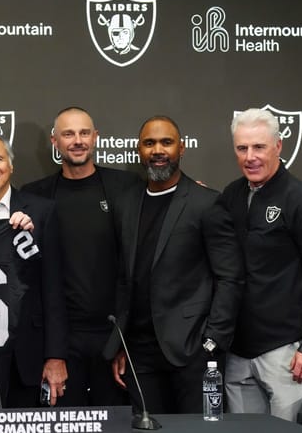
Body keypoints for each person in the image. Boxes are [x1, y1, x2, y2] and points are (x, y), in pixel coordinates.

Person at [107, 116, 244, 414]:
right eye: (149, 143)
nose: (158, 150)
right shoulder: (126, 203)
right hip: (140, 353)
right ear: (138, 150)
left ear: (181, 149)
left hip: (193, 351)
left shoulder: (206, 203)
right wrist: (121, 343)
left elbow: (230, 278)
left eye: (166, 142)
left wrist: (212, 342)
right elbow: (124, 277)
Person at [219, 108, 302, 421]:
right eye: (242, 148)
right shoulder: (231, 195)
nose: (250, 157)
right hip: (236, 351)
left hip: (286, 354)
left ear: (278, 146)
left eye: (259, 147)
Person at [22, 107, 139, 406]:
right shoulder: (34, 196)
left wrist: (124, 343)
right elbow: (34, 283)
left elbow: (136, 269)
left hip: (114, 340)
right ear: (54, 142)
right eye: (68, 134)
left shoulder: (126, 189)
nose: (77, 140)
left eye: (84, 133)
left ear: (96, 137)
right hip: (62, 341)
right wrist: (53, 353)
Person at [0, 132, 68, 407]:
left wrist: (55, 356)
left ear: (11, 165)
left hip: (27, 356)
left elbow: (53, 290)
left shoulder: (42, 213)